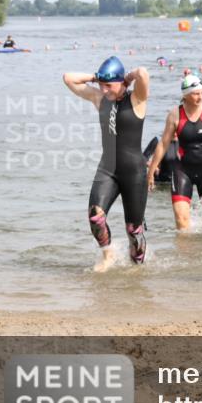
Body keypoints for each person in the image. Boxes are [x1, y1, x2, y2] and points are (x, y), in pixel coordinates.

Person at [63, 57, 150, 271]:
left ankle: (138, 274)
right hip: (108, 169)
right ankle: (108, 254)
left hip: (135, 173)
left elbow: (143, 73)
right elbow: (68, 78)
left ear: (121, 82)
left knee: (134, 233)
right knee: (95, 216)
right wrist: (97, 77)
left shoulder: (138, 99)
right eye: (101, 85)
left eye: (108, 85)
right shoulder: (100, 99)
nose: (103, 89)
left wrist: (128, 77)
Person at [147, 75, 202, 231]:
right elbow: (163, 144)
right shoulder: (175, 114)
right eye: (196, 93)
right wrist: (151, 169)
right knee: (181, 222)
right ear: (185, 95)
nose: (200, 97)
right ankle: (184, 254)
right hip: (183, 170)